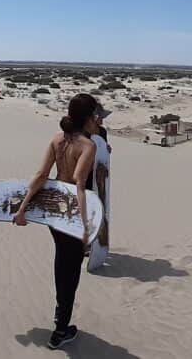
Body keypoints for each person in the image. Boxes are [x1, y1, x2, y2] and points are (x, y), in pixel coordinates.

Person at [13, 93, 102, 349]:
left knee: (61, 263)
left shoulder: (56, 139)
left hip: (53, 213)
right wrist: (85, 227)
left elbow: (41, 174)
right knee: (70, 273)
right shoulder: (87, 146)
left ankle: (59, 313)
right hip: (72, 215)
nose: (96, 119)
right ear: (87, 118)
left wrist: (23, 208)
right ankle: (61, 330)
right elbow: (79, 185)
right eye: (94, 115)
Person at [86, 107, 113, 270]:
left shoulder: (102, 131)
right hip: (86, 173)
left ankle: (95, 241)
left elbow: (102, 147)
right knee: (87, 208)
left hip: (100, 173)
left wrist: (107, 149)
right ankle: (85, 243)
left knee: (99, 206)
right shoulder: (83, 132)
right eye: (100, 117)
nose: (102, 120)